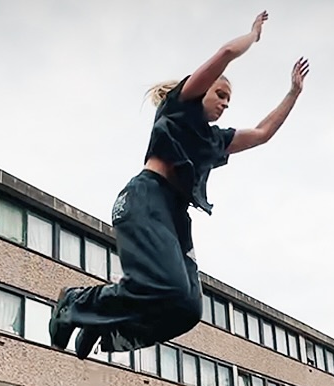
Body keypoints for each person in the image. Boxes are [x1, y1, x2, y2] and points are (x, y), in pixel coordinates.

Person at [50, 10, 310, 358]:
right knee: (166, 284)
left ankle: (105, 328)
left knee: (188, 308)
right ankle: (75, 302)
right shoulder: (179, 106)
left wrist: (293, 92)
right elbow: (226, 55)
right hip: (144, 200)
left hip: (174, 218)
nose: (224, 103)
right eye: (219, 93)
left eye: (228, 101)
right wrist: (253, 35)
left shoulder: (214, 140)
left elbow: (262, 134)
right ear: (201, 91)